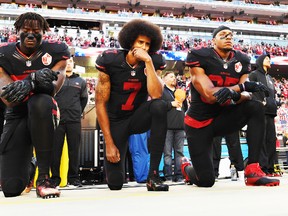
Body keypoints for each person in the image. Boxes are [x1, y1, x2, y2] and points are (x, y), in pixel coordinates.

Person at [181, 25, 280, 188]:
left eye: (230, 35)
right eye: (223, 35)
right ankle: (187, 169)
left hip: (222, 119)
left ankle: (253, 169)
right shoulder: (200, 56)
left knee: (255, 107)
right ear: (213, 40)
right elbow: (210, 94)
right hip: (199, 124)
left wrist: (236, 92)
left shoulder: (242, 59)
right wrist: (239, 89)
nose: (228, 37)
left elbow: (245, 96)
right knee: (206, 181)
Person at [0, 12, 70, 198]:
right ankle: (30, 165)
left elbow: (52, 88)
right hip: (17, 115)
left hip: (43, 112)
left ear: (43, 32)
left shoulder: (56, 50)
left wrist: (28, 83)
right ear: (17, 31)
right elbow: (8, 98)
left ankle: (44, 177)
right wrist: (33, 79)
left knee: (40, 101)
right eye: (26, 30)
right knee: (11, 187)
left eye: (36, 31)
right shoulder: (4, 54)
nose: (30, 35)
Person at [95, 19, 169, 191]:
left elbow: (156, 94)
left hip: (137, 117)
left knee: (160, 106)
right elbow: (100, 103)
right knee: (115, 183)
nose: (144, 47)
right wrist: (109, 143)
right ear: (130, 42)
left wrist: (149, 63)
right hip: (116, 120)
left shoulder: (154, 60)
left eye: (147, 44)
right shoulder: (110, 60)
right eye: (140, 42)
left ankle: (153, 175)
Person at [51, 57, 88, 187]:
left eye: (71, 62)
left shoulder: (80, 81)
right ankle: (55, 178)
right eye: (66, 62)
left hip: (74, 121)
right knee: (55, 151)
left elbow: (84, 100)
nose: (68, 64)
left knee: (74, 151)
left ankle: (74, 178)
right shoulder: (55, 79)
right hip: (57, 121)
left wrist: (77, 112)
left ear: (73, 64)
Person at [248, 54, 278, 176]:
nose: (269, 60)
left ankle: (271, 168)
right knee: (262, 141)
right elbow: (251, 90)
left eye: (269, 59)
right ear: (260, 61)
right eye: (266, 59)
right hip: (260, 111)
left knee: (271, 140)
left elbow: (273, 95)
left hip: (271, 113)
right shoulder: (254, 74)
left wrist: (274, 103)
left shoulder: (270, 78)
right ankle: (263, 168)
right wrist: (260, 103)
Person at [162, 71, 187, 182]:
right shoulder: (162, 92)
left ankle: (179, 175)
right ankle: (168, 176)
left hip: (180, 127)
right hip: (167, 127)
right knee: (167, 153)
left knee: (179, 153)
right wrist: (170, 104)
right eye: (171, 77)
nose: (174, 79)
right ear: (164, 79)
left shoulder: (180, 92)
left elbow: (185, 108)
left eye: (174, 77)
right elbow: (159, 106)